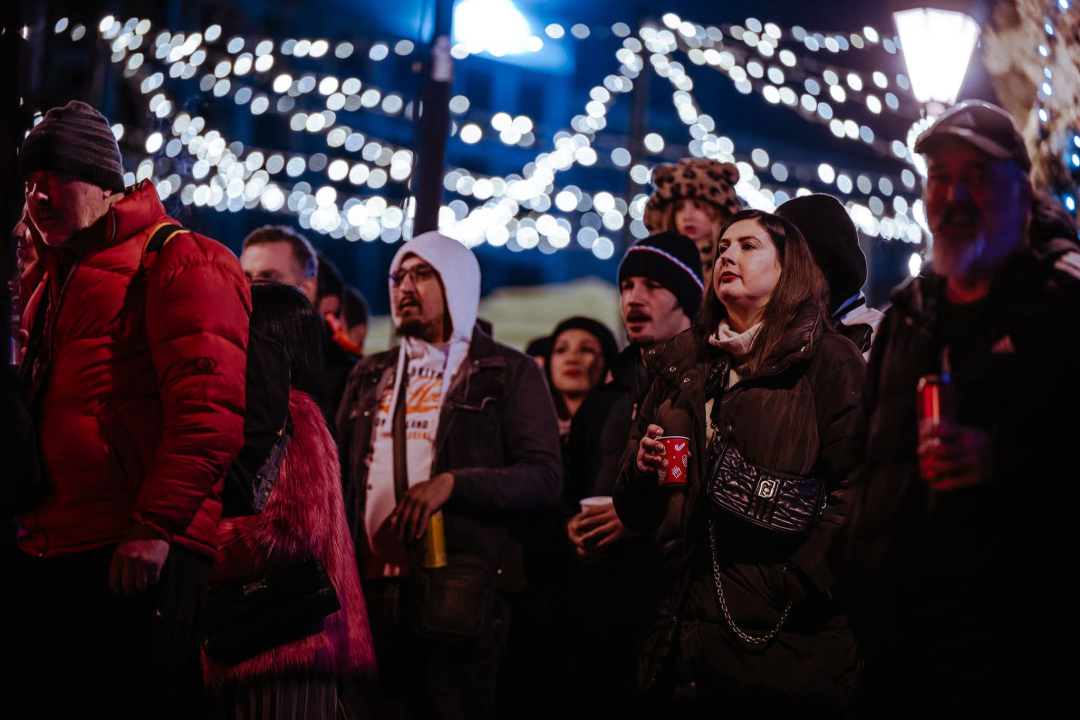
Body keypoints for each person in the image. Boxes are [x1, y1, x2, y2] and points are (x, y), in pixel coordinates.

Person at [13, 100, 250, 719]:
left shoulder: (180, 257)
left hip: (135, 549)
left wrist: (152, 527)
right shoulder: (53, 280)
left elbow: (209, 413)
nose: (38, 198)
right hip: (54, 546)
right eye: (30, 184)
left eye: (55, 180)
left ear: (102, 182)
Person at [847, 100, 1080, 717]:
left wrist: (1003, 460)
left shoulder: (1062, 304)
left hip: (1021, 672)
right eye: (940, 176)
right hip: (897, 665)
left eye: (976, 178)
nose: (953, 197)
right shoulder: (907, 316)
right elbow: (864, 468)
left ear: (1022, 195)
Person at [614, 209, 865, 713]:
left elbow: (861, 491)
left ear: (789, 268)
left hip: (784, 647)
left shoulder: (830, 360)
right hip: (676, 639)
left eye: (749, 246)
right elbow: (632, 509)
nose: (728, 255)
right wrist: (642, 470)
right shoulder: (680, 361)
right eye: (724, 247)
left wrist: (796, 584)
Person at [336, 231, 562, 719]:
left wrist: (454, 483)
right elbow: (341, 481)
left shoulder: (508, 371)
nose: (404, 287)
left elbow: (544, 478)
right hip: (369, 593)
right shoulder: (370, 373)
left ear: (456, 282)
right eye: (398, 276)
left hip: (461, 595)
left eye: (422, 274)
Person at [203, 282, 375, 720]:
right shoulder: (286, 409)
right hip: (275, 639)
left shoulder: (292, 411)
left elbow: (290, 529)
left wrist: (198, 544)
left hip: (283, 645)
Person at [551, 231, 703, 718]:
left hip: (670, 603)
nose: (634, 298)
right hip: (596, 606)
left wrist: (633, 518)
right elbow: (566, 483)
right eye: (626, 286)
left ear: (687, 299)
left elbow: (700, 492)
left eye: (652, 286)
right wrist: (571, 527)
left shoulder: (705, 386)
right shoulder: (605, 398)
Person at [776, 193, 885, 356]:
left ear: (826, 259)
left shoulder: (877, 335)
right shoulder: (777, 332)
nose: (781, 270)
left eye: (789, 256)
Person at [645, 158, 743, 287]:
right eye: (679, 208)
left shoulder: (737, 264)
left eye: (698, 207)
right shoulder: (656, 264)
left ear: (719, 213)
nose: (688, 216)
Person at [544, 316, 618, 443]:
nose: (571, 359)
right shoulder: (527, 428)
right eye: (561, 350)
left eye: (587, 350)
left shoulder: (625, 430)